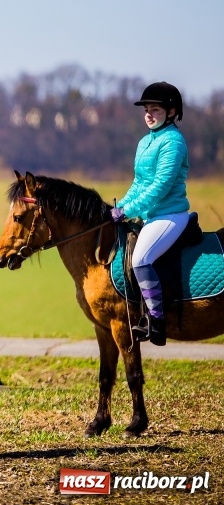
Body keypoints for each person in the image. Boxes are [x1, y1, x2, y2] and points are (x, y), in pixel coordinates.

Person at [110, 81, 190, 346]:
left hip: (169, 215)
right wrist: (119, 206)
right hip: (149, 215)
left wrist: (128, 210)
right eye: (146, 109)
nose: (148, 114)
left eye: (155, 109)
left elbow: (160, 186)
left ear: (171, 112)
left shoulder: (174, 142)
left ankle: (157, 321)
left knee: (141, 259)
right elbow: (139, 183)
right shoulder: (145, 141)